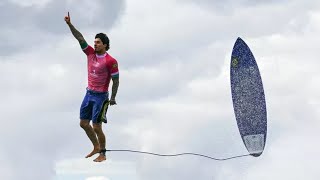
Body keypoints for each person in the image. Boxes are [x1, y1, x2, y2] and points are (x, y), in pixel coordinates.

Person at [64, 12, 119, 162]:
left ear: (105, 45)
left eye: (98, 42)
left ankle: (103, 153)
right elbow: (80, 38)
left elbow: (116, 80)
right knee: (83, 123)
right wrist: (70, 25)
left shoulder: (111, 61)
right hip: (89, 93)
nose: (95, 44)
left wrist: (113, 98)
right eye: (94, 42)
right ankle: (96, 146)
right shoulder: (90, 53)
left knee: (96, 126)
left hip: (101, 97)